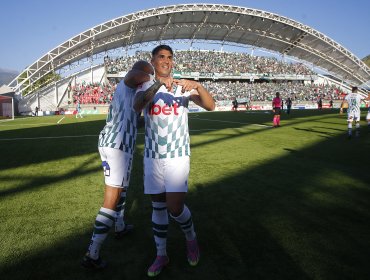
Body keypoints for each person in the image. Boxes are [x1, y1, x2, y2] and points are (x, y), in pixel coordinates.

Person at [134, 45, 215, 277]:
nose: (166, 61)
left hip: (178, 155)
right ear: (153, 61)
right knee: (157, 206)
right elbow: (137, 105)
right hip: (152, 156)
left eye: (169, 57)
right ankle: (161, 254)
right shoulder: (146, 85)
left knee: (175, 207)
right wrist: (159, 85)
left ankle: (191, 239)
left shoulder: (183, 87)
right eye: (161, 57)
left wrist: (197, 85)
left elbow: (210, 106)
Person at [81, 61, 154, 269]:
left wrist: (150, 121)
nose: (147, 80)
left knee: (121, 190)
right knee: (111, 200)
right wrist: (154, 80)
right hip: (117, 145)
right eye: (147, 74)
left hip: (119, 145)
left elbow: (134, 120)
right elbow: (133, 76)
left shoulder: (129, 93)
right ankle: (92, 254)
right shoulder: (130, 82)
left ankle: (119, 227)